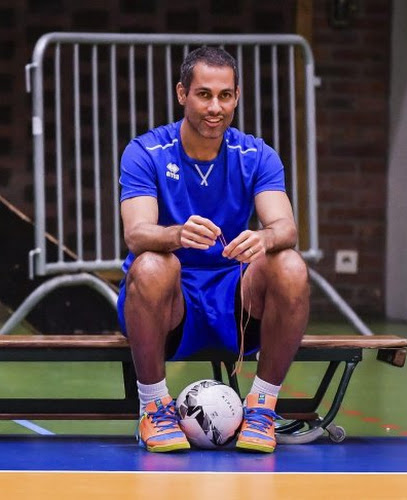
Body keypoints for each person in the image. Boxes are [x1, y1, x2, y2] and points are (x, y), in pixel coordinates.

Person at [117, 46, 309, 453]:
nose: (215, 107)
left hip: (233, 294)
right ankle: (153, 407)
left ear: (237, 97)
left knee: (289, 264)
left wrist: (264, 239)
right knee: (153, 265)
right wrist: (176, 235)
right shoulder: (145, 152)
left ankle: (261, 407)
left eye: (225, 95)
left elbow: (285, 227)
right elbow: (136, 234)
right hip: (169, 300)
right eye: (204, 94)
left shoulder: (257, 154)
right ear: (182, 93)